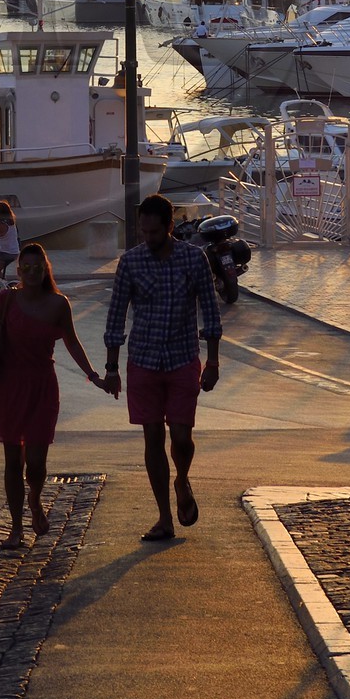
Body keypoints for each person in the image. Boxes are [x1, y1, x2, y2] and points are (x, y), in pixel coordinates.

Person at [0, 242, 106, 549]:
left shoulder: (58, 304)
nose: (33, 272)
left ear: (46, 269)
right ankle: (15, 528)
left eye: (38, 267)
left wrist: (93, 376)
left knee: (36, 462)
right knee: (13, 460)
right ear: (19, 270)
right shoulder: (7, 299)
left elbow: (72, 343)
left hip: (42, 387)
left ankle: (35, 500)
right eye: (27, 267)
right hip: (10, 385)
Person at [103, 193, 221, 542]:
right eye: (144, 232)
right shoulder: (131, 262)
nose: (149, 238)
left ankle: (182, 479)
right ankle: (164, 517)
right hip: (143, 360)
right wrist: (111, 367)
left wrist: (213, 361)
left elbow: (210, 311)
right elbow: (116, 314)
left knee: (182, 437)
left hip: (183, 357)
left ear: (170, 226)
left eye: (155, 232)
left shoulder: (194, 259)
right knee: (152, 437)